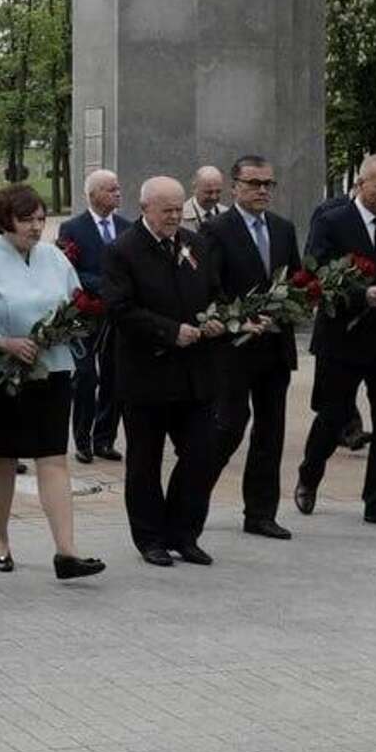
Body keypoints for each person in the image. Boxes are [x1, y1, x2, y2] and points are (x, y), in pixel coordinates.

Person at [0, 183, 104, 580]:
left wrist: (66, 330)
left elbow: (76, 303)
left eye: (40, 218)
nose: (37, 227)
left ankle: (66, 552)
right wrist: (2, 342)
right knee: (2, 458)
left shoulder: (54, 257)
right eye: (27, 220)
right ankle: (0, 539)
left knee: (53, 455)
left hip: (49, 370)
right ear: (5, 222)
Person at [102, 177, 233, 566]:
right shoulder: (122, 250)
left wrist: (218, 320)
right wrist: (170, 332)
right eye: (167, 210)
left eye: (179, 209)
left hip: (195, 373)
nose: (175, 217)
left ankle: (184, 532)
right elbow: (119, 309)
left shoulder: (196, 244)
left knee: (202, 453)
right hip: (147, 374)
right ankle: (150, 538)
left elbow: (215, 293)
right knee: (145, 461)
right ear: (145, 209)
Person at [295, 154, 376, 529]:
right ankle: (310, 473)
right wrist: (360, 295)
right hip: (344, 337)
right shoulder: (333, 220)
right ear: (360, 184)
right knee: (333, 415)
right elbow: (314, 274)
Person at [200, 155, 302, 541]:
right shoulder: (216, 230)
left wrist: (289, 310)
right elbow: (211, 287)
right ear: (235, 187)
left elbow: (295, 280)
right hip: (233, 349)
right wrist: (238, 320)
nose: (262, 191)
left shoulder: (283, 229)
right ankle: (192, 497)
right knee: (228, 426)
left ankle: (260, 513)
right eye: (254, 183)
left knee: (271, 430)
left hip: (274, 346)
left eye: (268, 184)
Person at [58, 169, 130, 464]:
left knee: (114, 376)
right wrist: (104, 286)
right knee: (86, 377)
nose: (117, 193)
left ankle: (104, 439)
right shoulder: (72, 228)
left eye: (117, 188)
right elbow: (68, 269)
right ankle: (83, 440)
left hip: (118, 316)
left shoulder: (127, 226)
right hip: (87, 313)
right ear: (93, 194)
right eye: (111, 189)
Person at [311, 190, 372, 453]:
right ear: (361, 183)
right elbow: (315, 263)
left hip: (373, 323)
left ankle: (349, 429)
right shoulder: (329, 214)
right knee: (333, 391)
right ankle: (344, 430)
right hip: (337, 319)